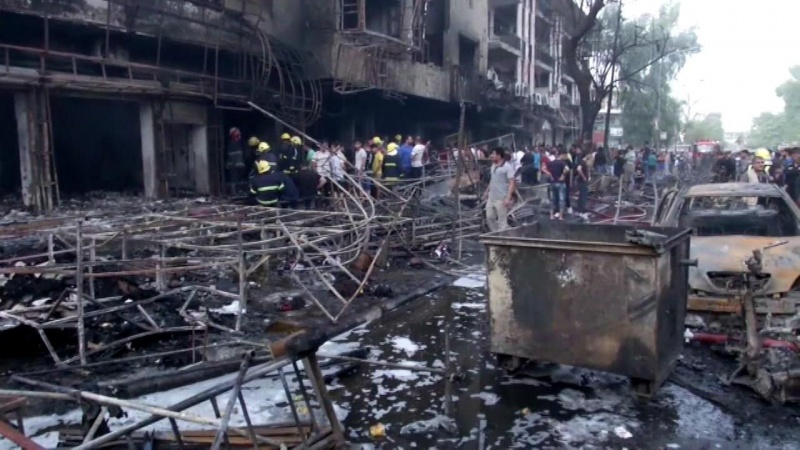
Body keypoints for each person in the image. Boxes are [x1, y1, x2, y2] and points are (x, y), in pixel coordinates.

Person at [483, 147, 516, 231]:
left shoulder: (507, 167)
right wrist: (487, 191)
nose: (491, 156)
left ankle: (502, 239)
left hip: (501, 198)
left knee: (502, 221)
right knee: (489, 217)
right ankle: (495, 233)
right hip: (492, 197)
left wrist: (508, 197)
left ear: (499, 155)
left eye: (493, 154)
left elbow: (512, 182)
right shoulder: (493, 165)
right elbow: (492, 179)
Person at [542, 149, 569, 220]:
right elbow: (567, 169)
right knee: (561, 200)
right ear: (561, 155)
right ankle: (560, 216)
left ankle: (551, 216)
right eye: (564, 155)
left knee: (552, 200)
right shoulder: (563, 163)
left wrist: (550, 174)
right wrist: (563, 175)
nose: (565, 157)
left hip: (552, 183)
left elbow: (543, 168)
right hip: (560, 183)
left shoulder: (551, 162)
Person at [225, 127, 246, 193]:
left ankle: (240, 191)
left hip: (239, 166)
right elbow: (230, 155)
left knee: (240, 180)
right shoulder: (231, 144)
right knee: (234, 180)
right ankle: (234, 193)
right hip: (233, 166)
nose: (239, 134)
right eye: (237, 132)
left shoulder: (240, 143)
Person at [575, 147, 590, 214]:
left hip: (582, 181)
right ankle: (582, 209)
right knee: (583, 195)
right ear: (586, 155)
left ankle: (580, 208)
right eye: (589, 154)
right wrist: (584, 177)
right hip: (582, 181)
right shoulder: (582, 162)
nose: (590, 156)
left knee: (581, 195)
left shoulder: (583, 162)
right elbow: (578, 169)